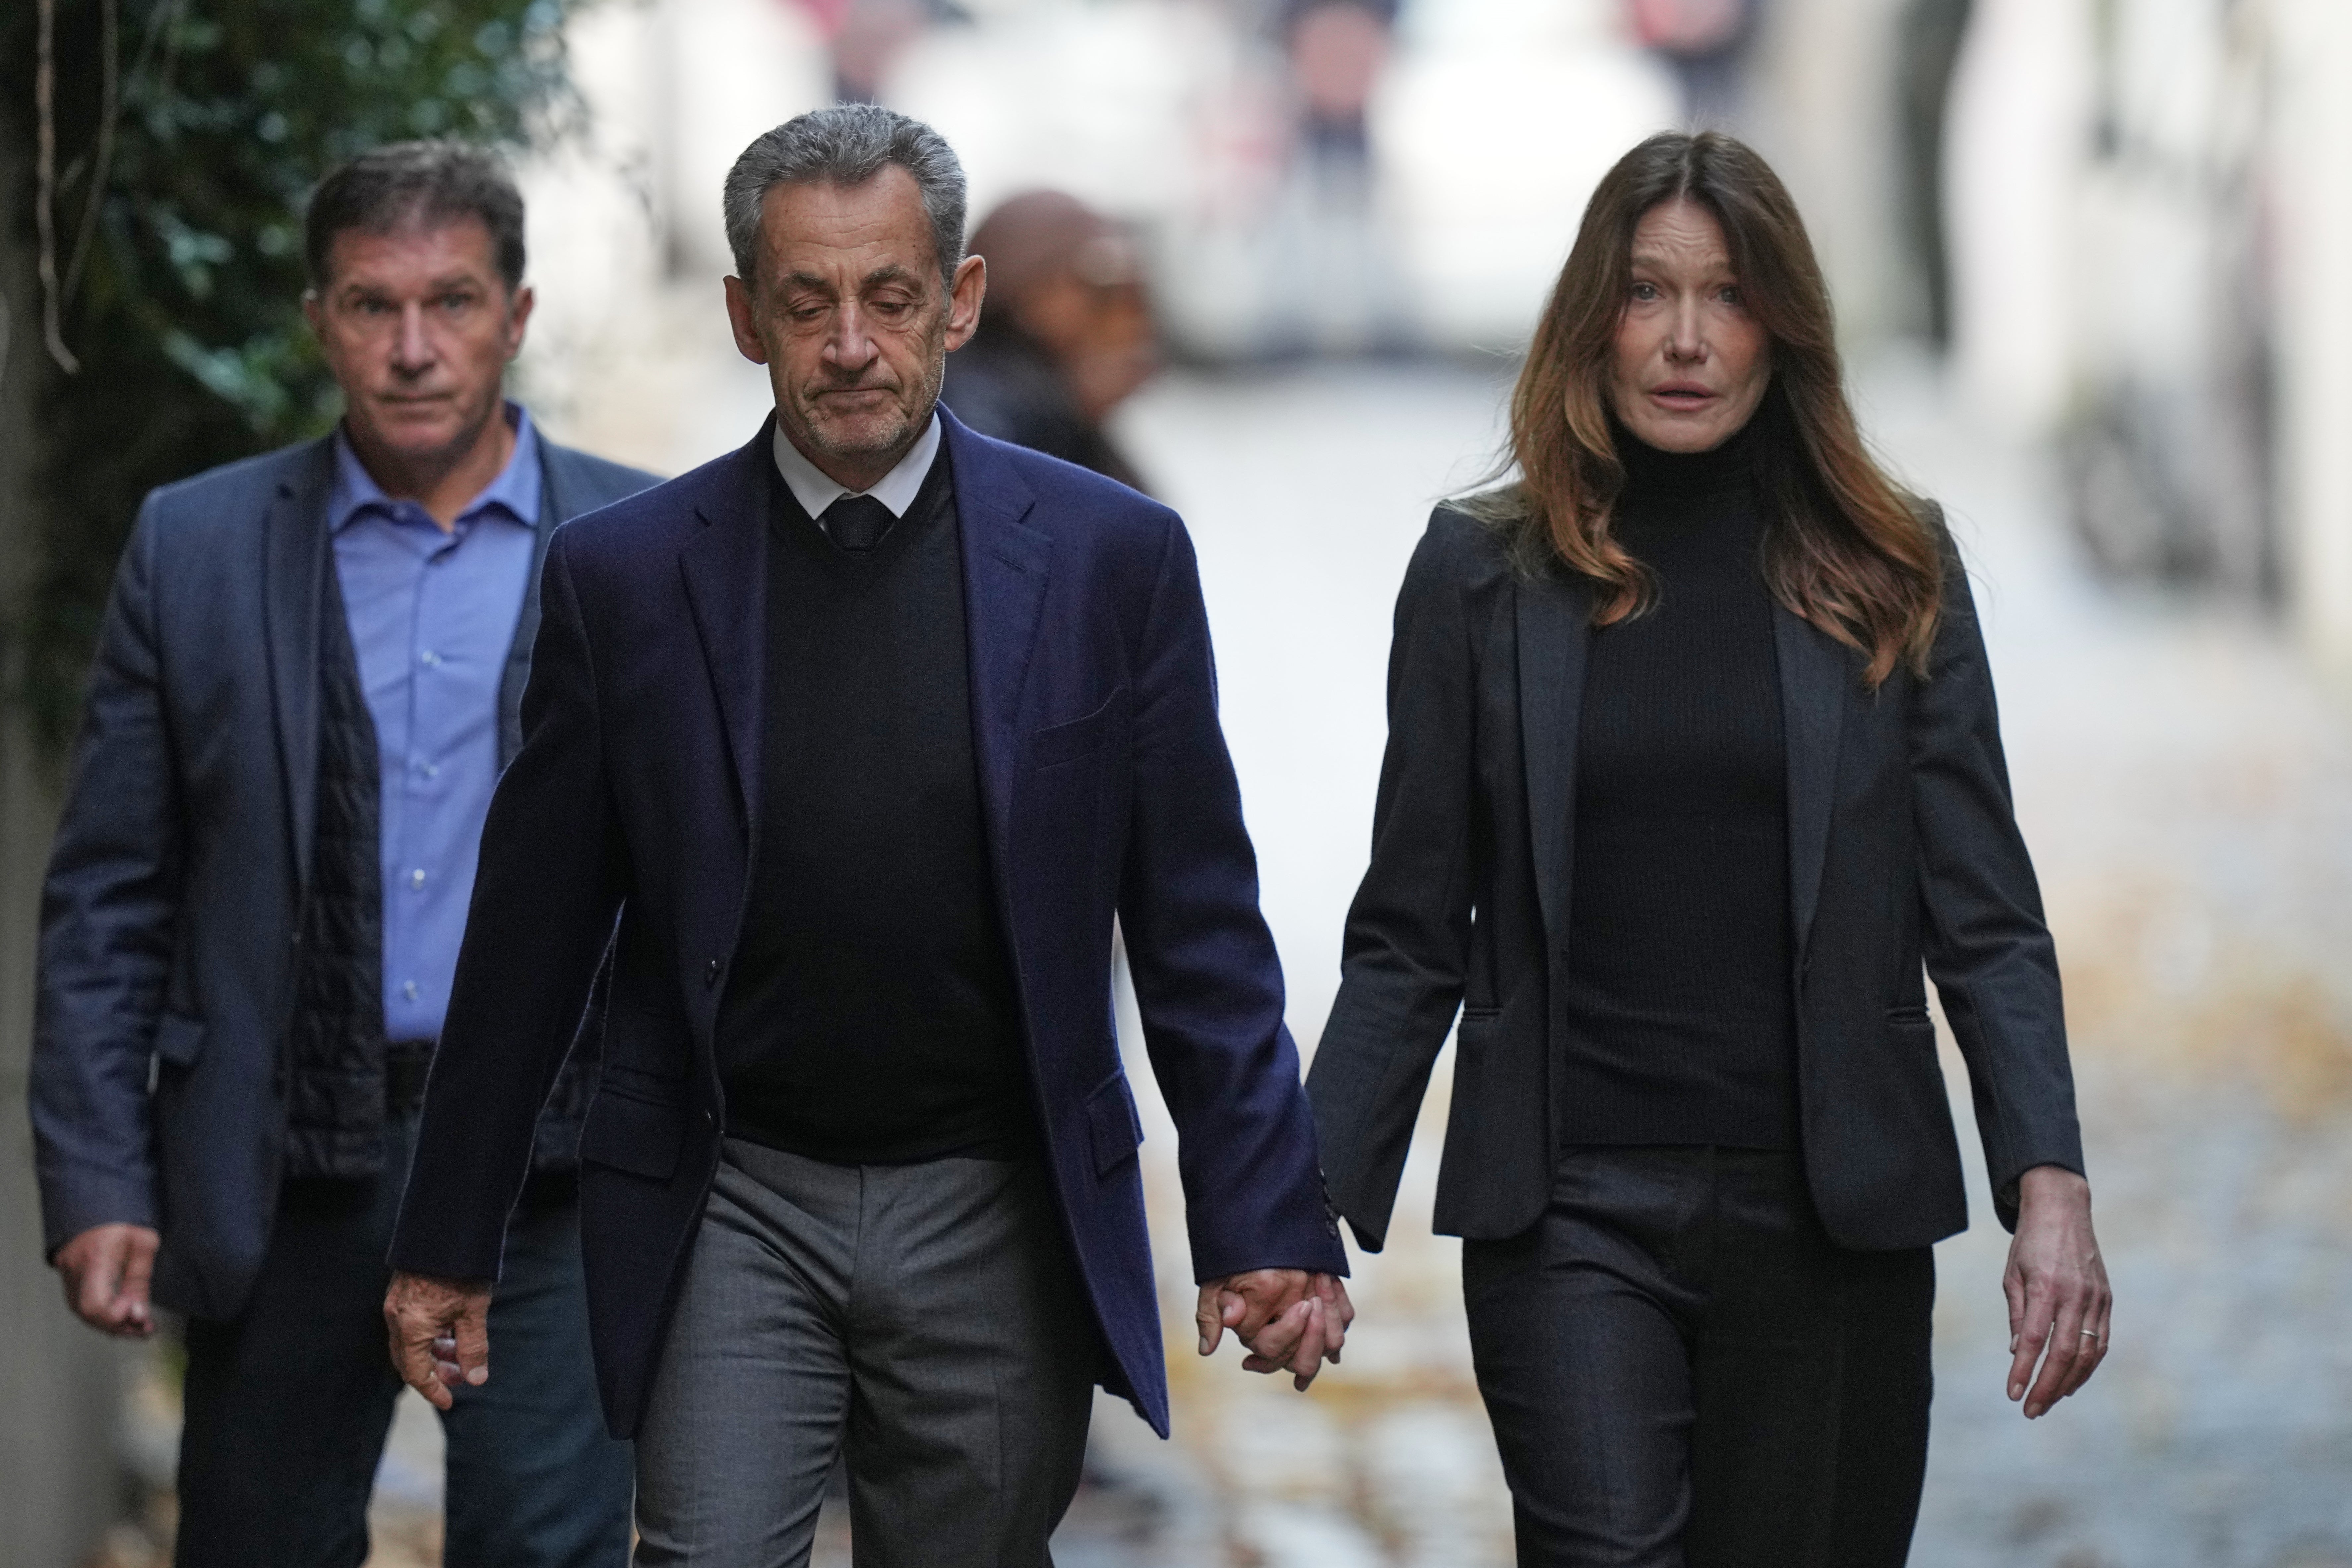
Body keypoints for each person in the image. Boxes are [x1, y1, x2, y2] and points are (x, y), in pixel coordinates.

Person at [381, 103, 1352, 1567]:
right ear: (742, 318)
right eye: (806, 301)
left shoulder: (1108, 560)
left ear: (955, 302)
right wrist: (447, 1235)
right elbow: (531, 935)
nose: (849, 342)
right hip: (731, 1195)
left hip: (994, 1193)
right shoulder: (627, 580)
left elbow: (1196, 925)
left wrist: (1262, 1211)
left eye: (889, 297)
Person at [1305, 131, 2110, 1566]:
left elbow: (1980, 914)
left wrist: (2043, 1179)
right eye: (1644, 294)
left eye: (1725, 296)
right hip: (1569, 1211)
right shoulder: (1480, 576)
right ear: (1587, 321)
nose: (1683, 339)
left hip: (1829, 1215)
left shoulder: (1889, 569)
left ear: (1781, 328)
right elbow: (1409, 923)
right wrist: (1296, 1203)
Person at [29, 141, 652, 1567]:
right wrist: (100, 1177)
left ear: (519, 311)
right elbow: (111, 895)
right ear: (317, 317)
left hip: (555, 1170)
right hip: (286, 1155)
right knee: (256, 1541)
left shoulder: (646, 538)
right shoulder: (195, 548)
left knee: (550, 1550)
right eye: (372, 306)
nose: (415, 349)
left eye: (453, 301)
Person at [941, 189, 1156, 490]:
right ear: (1029, 293)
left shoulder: (1052, 399)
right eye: (1101, 292)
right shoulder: (979, 411)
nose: (1125, 322)